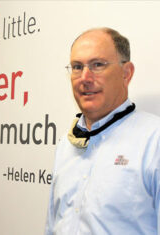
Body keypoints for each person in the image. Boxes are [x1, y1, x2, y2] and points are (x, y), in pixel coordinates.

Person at [45, 28, 160, 234]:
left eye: (98, 65)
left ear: (126, 73)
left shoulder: (154, 140)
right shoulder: (66, 144)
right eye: (77, 67)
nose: (85, 78)